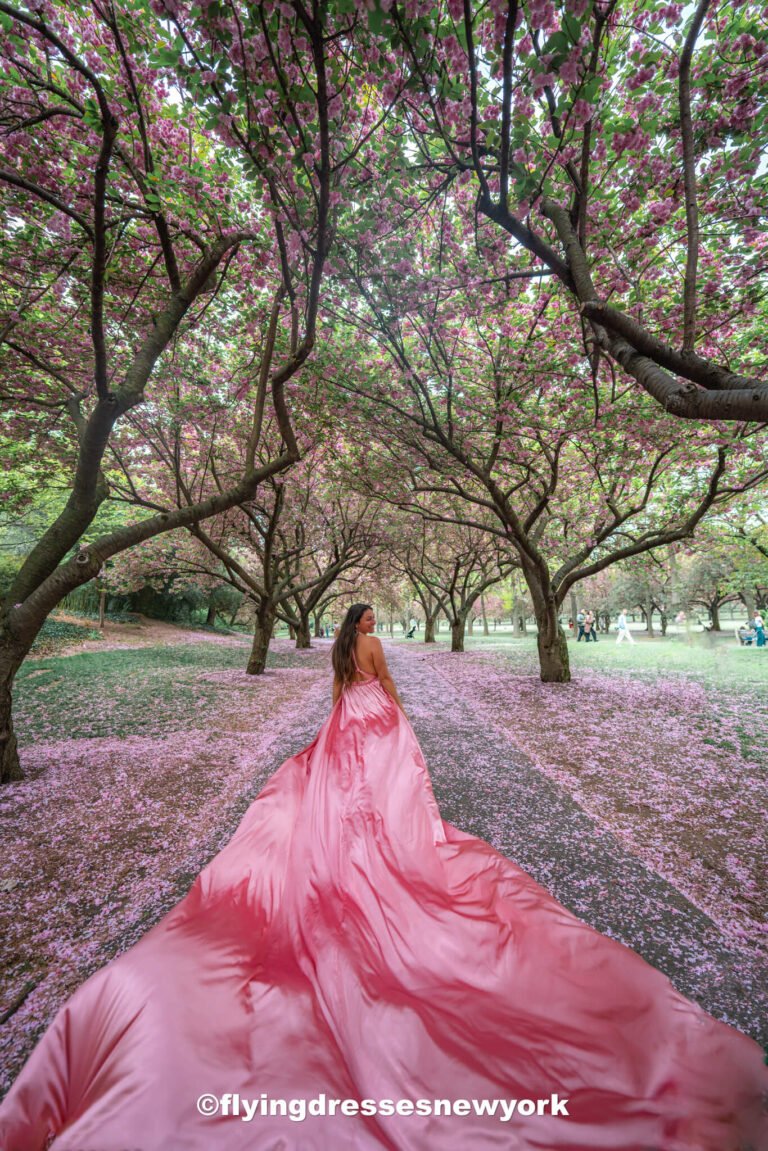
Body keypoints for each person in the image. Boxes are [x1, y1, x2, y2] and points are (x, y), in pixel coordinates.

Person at [1, 602, 766, 1151]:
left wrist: (342, 723)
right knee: (383, 787)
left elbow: (342, 695)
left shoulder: (338, 656)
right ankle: (380, 837)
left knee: (347, 786)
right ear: (367, 625)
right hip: (375, 718)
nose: (371, 629)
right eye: (370, 621)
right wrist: (401, 721)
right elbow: (385, 686)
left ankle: (364, 827)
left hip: (343, 719)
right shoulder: (370, 651)